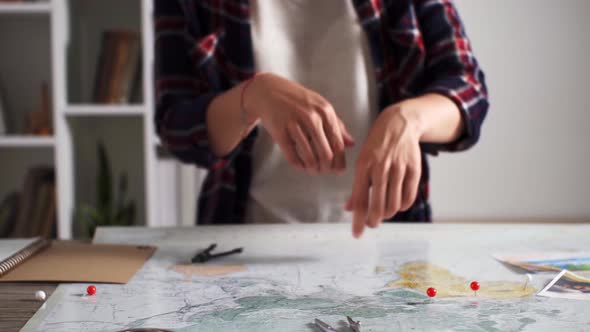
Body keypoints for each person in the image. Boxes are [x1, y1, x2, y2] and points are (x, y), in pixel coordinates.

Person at [154, 0, 488, 238]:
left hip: (391, 244)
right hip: (243, 242)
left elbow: (469, 90)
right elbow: (175, 125)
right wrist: (251, 97)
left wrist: (408, 118)